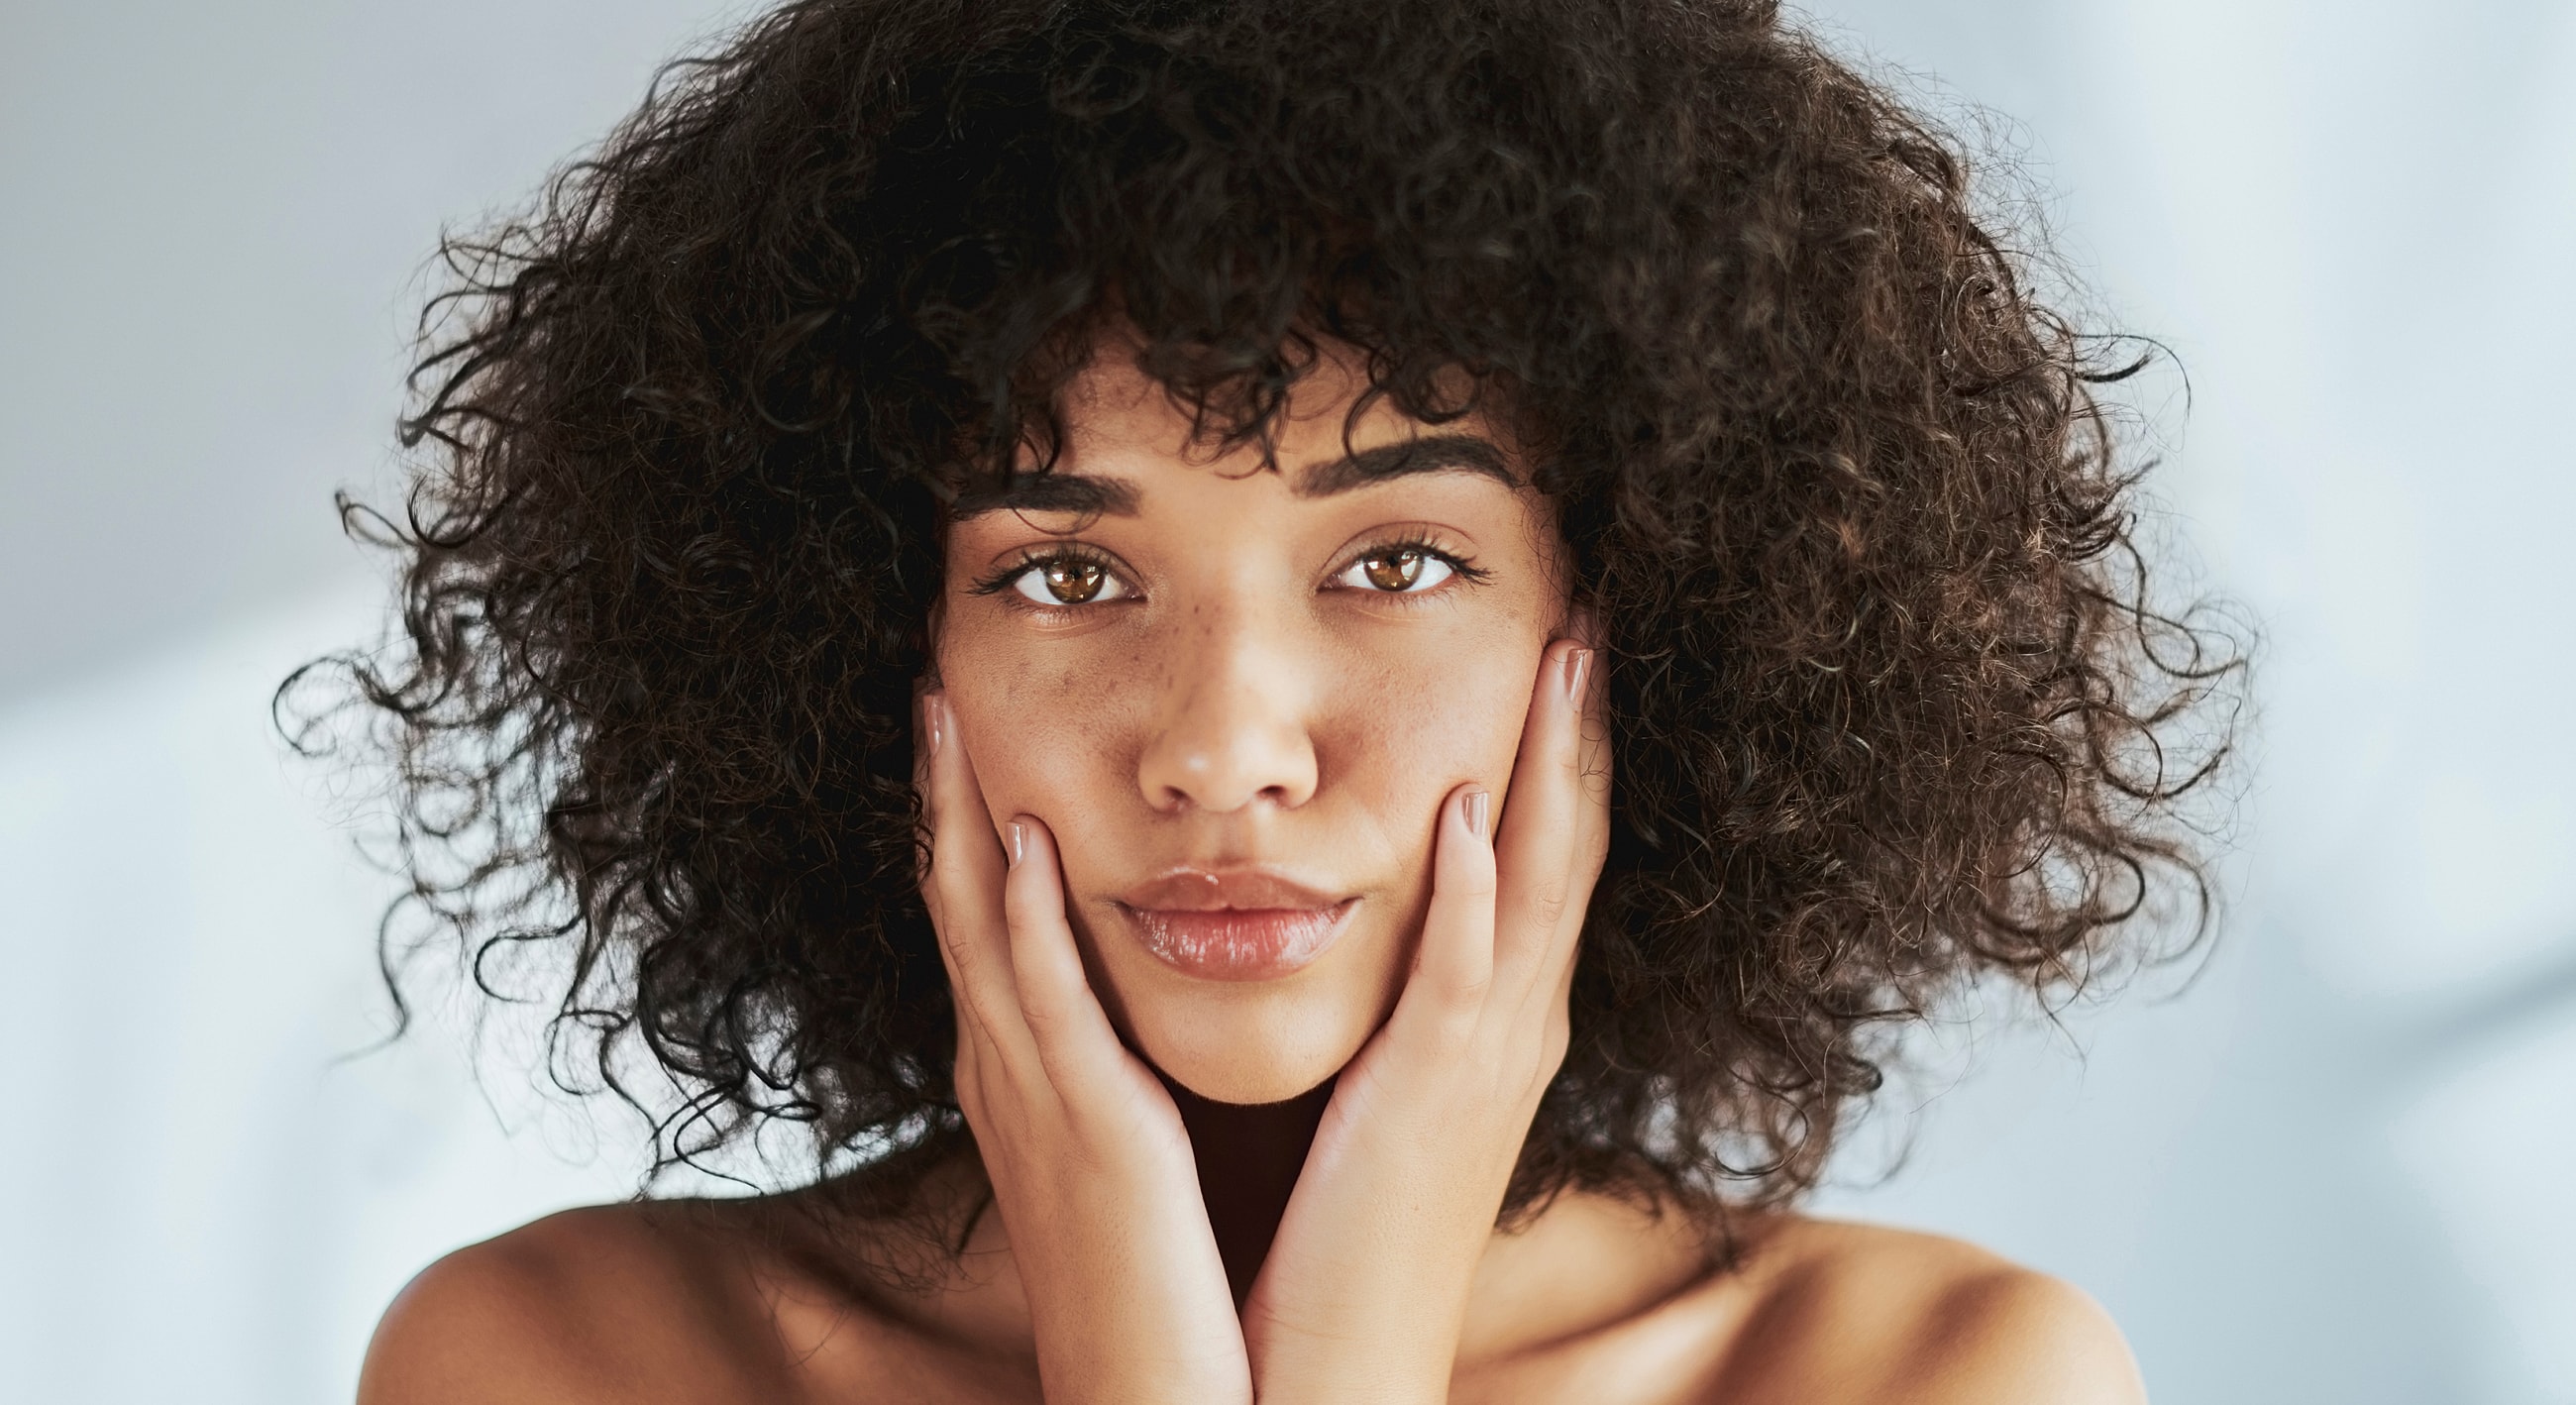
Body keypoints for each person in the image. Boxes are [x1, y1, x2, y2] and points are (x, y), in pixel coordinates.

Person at [317, 0, 2233, 1398]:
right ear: (871, 647)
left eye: (1395, 563)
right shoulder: (571, 1364)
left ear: (1649, 617)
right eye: (1067, 574)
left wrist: (1354, 1343)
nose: (1226, 747)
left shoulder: (1929, 1379)